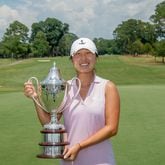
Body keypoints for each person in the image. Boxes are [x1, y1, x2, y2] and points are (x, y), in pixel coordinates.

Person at [24, 37, 120, 165]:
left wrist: (79, 146)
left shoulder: (108, 87)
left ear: (96, 57)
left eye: (88, 53)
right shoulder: (65, 87)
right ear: (72, 59)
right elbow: (49, 123)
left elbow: (112, 128)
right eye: (78, 54)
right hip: (70, 161)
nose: (83, 58)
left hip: (101, 160)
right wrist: (35, 98)